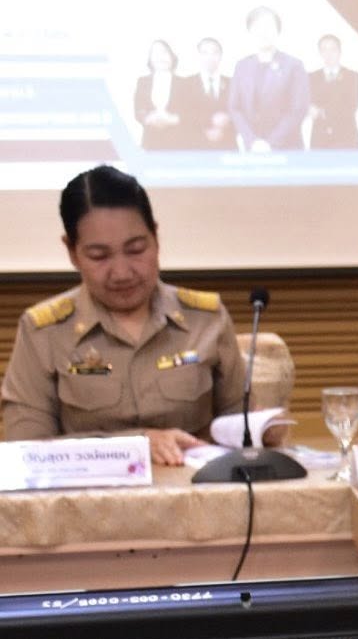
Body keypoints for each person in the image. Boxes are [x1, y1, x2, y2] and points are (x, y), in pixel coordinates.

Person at [2, 166, 247, 466]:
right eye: (99, 256)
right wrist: (135, 445)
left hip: (197, 491)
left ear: (156, 237)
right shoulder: (44, 331)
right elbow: (25, 451)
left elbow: (241, 431)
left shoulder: (206, 318)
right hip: (89, 495)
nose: (122, 273)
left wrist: (263, 429)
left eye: (136, 250)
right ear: (72, 252)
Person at [230, 6, 310, 151]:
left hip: (287, 148)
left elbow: (298, 109)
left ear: (277, 30)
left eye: (268, 27)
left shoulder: (293, 65)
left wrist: (270, 143)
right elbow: (234, 108)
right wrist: (252, 141)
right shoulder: (241, 66)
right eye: (257, 27)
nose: (263, 32)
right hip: (252, 148)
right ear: (250, 31)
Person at [172, 36, 233, 149]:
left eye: (215, 52)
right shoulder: (185, 84)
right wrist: (208, 124)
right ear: (198, 56)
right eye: (205, 53)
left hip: (227, 146)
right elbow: (182, 114)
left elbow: (240, 112)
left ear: (221, 56)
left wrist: (227, 120)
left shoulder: (233, 83)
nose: (210, 57)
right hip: (195, 146)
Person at [308, 34, 358, 149]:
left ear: (340, 51)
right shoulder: (311, 78)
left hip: (347, 138)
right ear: (320, 53)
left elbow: (351, 106)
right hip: (320, 139)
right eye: (324, 49)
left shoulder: (352, 76)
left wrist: (322, 112)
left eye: (333, 49)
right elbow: (308, 104)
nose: (329, 54)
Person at [133, 39, 182, 151]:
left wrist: (172, 119)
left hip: (177, 143)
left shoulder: (184, 83)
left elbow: (188, 112)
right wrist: (149, 118)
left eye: (164, 52)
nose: (161, 57)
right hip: (150, 142)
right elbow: (138, 110)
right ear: (150, 59)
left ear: (172, 56)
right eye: (156, 53)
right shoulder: (142, 82)